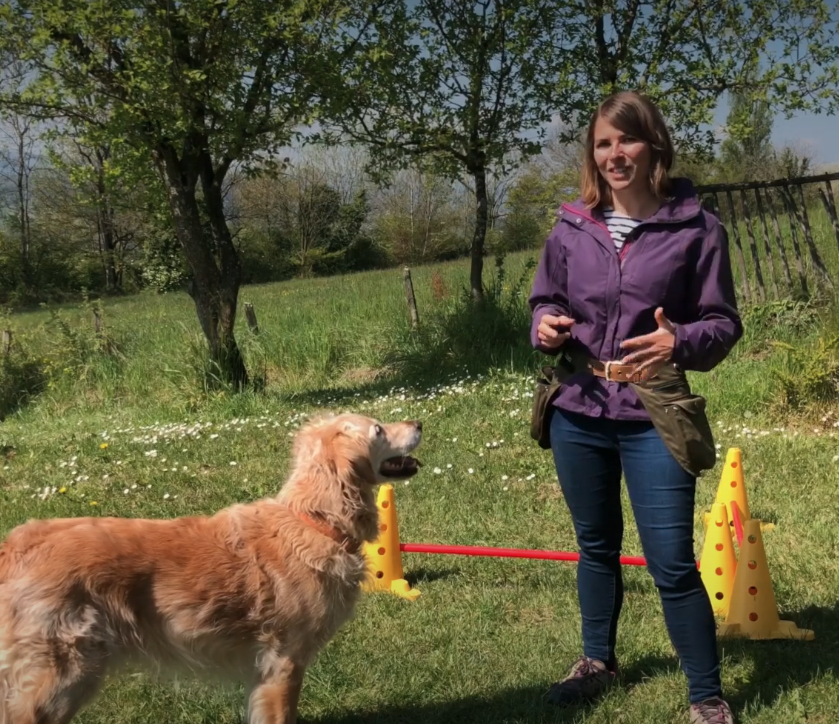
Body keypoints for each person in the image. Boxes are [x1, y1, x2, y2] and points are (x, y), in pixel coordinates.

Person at [528, 90, 743, 724]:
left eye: (626, 140)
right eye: (603, 143)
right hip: (580, 408)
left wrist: (682, 339)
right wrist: (545, 325)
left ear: (653, 145)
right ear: (592, 156)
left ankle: (706, 695)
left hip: (654, 414)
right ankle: (598, 661)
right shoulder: (571, 228)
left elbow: (723, 323)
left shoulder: (698, 228)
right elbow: (543, 300)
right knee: (594, 544)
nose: (615, 154)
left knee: (671, 558)